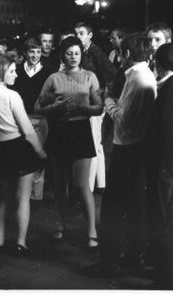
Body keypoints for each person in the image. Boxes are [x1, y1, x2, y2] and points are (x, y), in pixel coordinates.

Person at [85, 33, 157, 278]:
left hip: (129, 150)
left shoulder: (138, 79)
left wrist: (108, 101)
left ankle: (110, 264)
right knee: (133, 209)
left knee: (114, 209)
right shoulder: (140, 75)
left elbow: (123, 119)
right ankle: (130, 259)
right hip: (135, 150)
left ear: (126, 54)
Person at [0, 54, 47, 254]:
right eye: (12, 71)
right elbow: (28, 132)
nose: (15, 75)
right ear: (0, 72)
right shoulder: (12, 96)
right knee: (22, 199)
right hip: (18, 148)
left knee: (3, 196)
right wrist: (41, 153)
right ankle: (21, 243)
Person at [35, 36, 102, 248]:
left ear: (81, 55)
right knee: (60, 185)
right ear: (62, 55)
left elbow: (99, 107)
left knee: (82, 186)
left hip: (80, 131)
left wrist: (83, 109)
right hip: (60, 132)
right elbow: (38, 107)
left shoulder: (90, 77)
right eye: (69, 53)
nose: (73, 57)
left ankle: (91, 232)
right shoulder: (53, 78)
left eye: (76, 53)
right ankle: (61, 226)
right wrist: (53, 108)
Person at [144, 43, 173, 289]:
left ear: (158, 64)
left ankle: (167, 275)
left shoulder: (168, 88)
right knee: (171, 213)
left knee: (159, 217)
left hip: (164, 162)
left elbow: (164, 129)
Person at [74, 22, 115, 193]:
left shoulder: (96, 52)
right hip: (86, 101)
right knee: (95, 143)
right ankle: (100, 183)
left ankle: (91, 186)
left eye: (82, 33)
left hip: (95, 103)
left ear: (90, 35)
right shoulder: (82, 52)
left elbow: (111, 74)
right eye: (76, 33)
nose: (78, 36)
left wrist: (102, 91)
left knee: (94, 143)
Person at [11, 37, 52, 199]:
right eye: (31, 52)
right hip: (20, 118)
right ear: (25, 53)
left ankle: (36, 195)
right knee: (22, 155)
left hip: (40, 118)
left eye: (38, 52)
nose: (35, 55)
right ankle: (21, 194)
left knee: (39, 155)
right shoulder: (17, 70)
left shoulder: (48, 71)